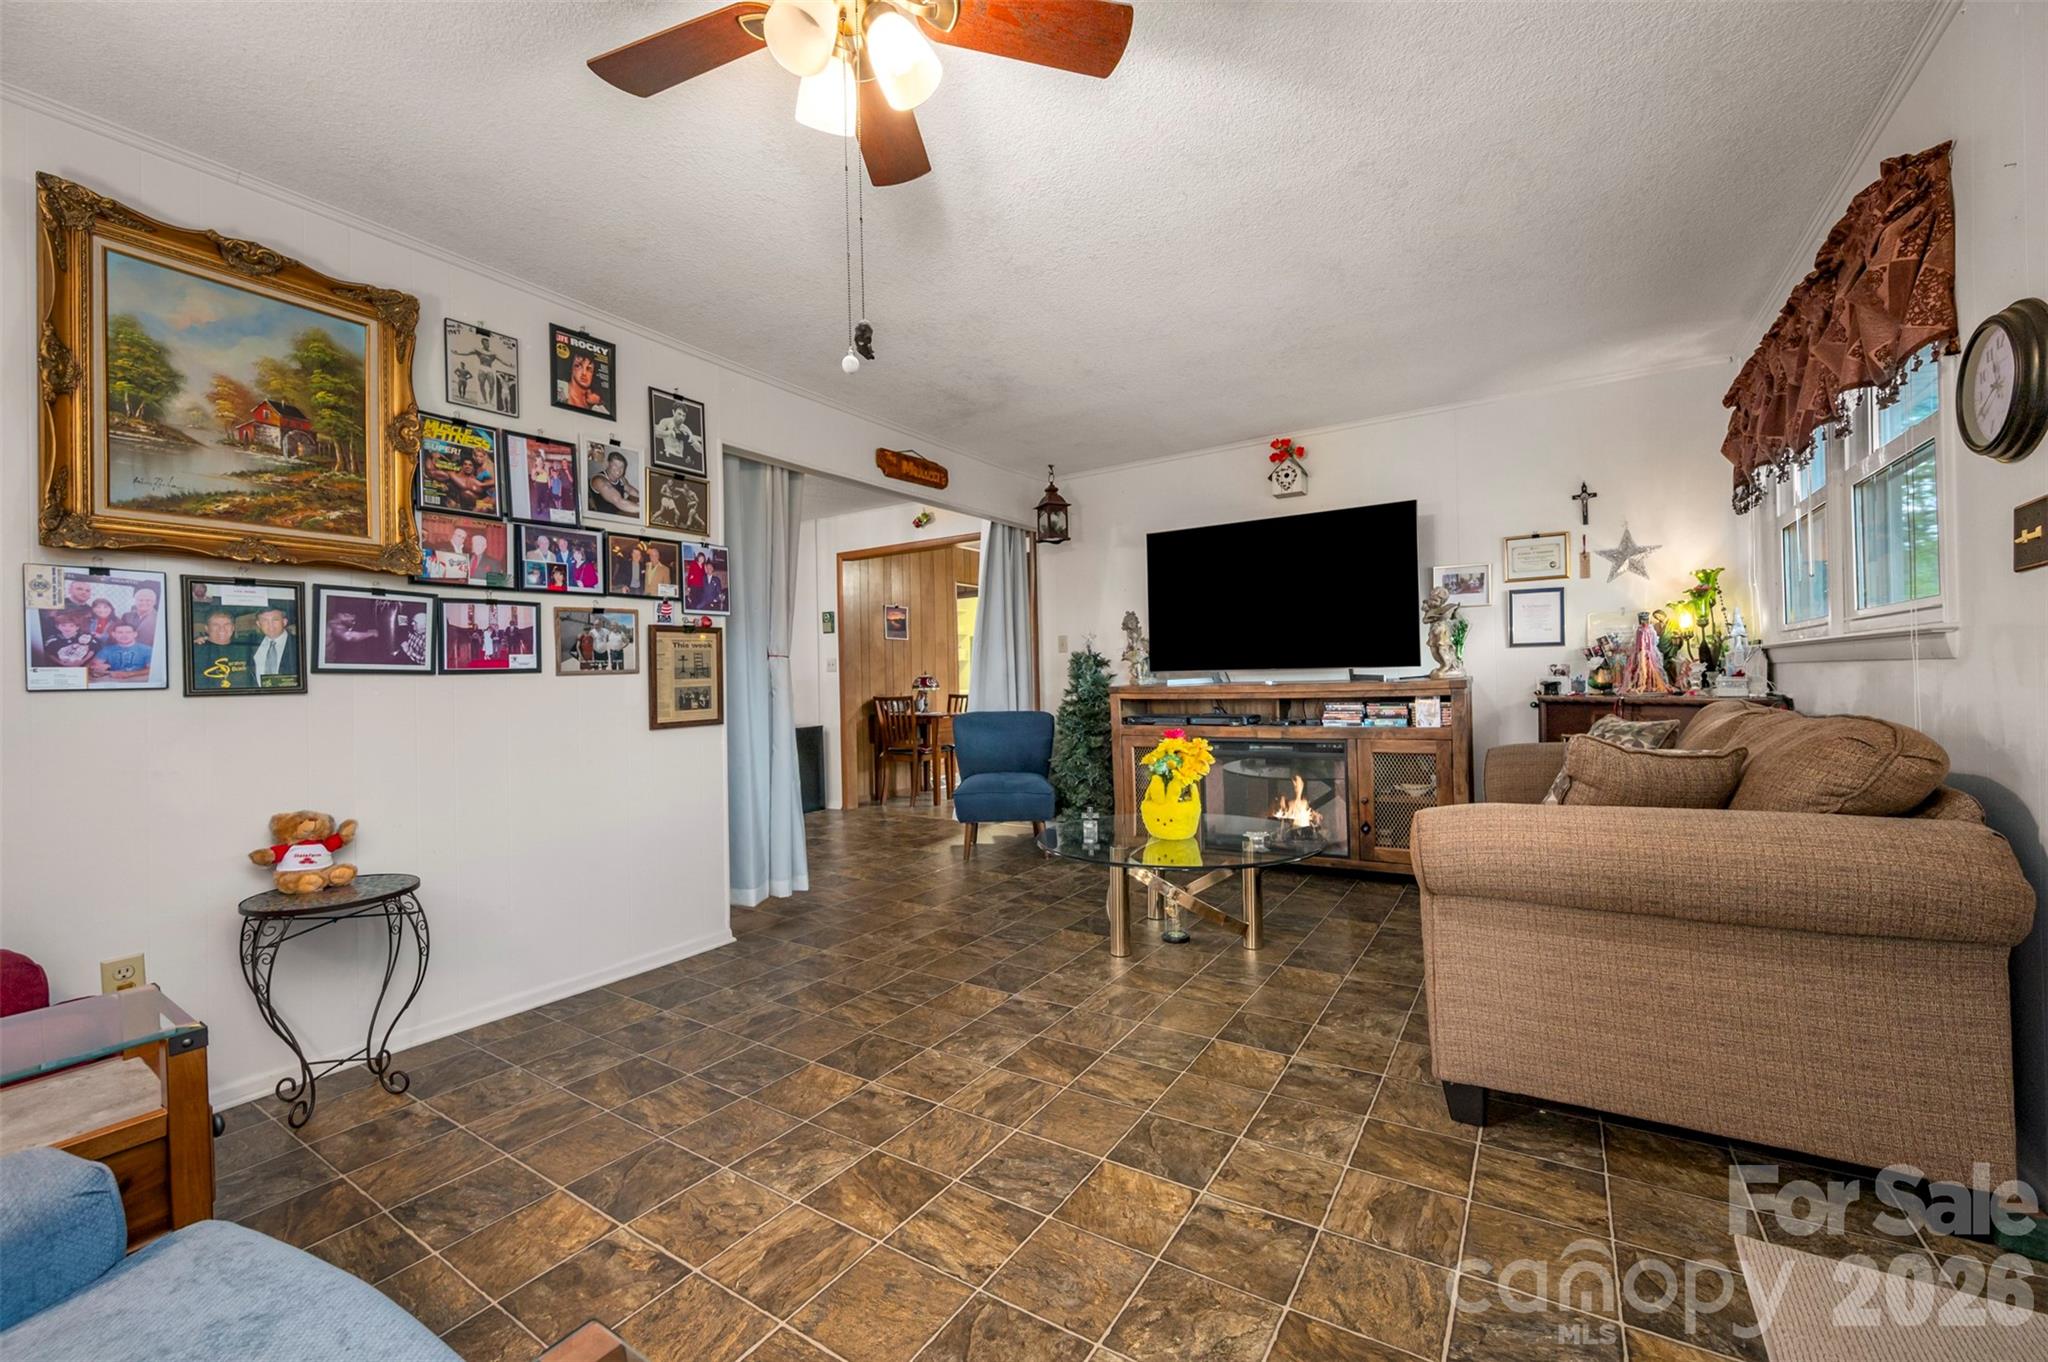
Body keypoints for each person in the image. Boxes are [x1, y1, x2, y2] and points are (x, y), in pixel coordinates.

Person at [190, 608, 252, 688]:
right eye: (215, 625)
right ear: (207, 628)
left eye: (227, 624)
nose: (222, 629)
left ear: (233, 628)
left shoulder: (245, 649)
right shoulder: (194, 651)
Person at [252, 607, 298, 687]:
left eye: (275, 620)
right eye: (265, 620)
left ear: (284, 622)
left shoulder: (298, 645)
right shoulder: (250, 645)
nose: (270, 625)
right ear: (258, 624)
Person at [587, 448, 639, 518]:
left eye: (621, 467)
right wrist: (643, 509)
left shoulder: (621, 479)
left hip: (618, 512)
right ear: (607, 464)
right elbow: (618, 501)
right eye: (615, 466)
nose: (618, 471)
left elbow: (631, 490)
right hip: (604, 519)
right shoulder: (599, 480)